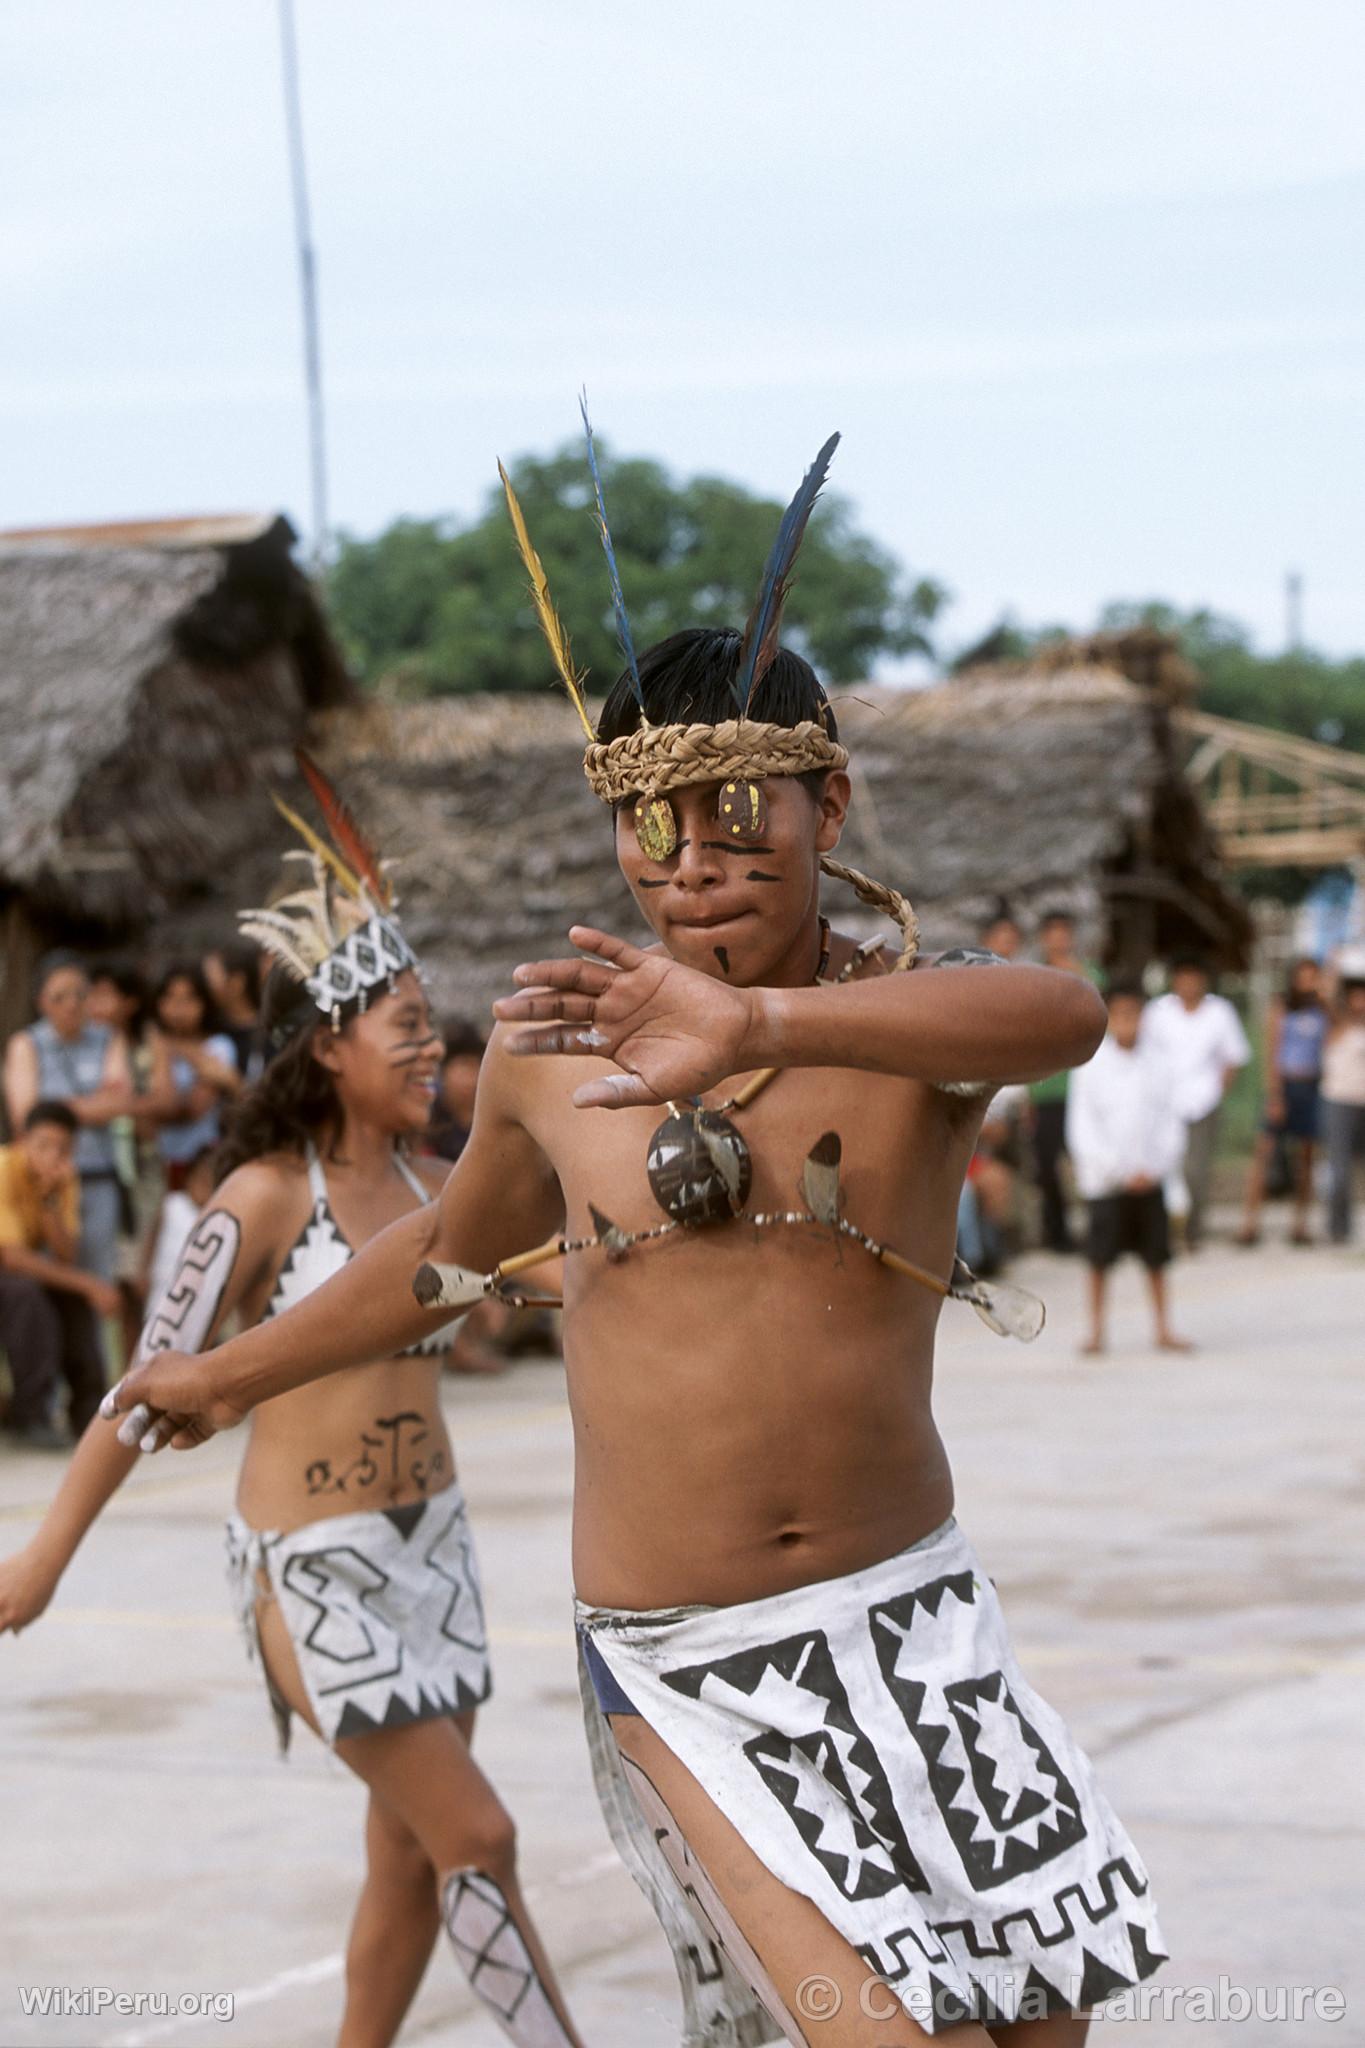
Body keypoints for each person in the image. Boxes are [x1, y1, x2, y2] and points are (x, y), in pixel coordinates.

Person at [101, 430, 1167, 2037]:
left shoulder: (898, 1022)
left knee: (1034, 2027)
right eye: (650, 827)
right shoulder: (549, 1050)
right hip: (687, 1655)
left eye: (738, 814)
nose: (693, 867)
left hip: (918, 1619)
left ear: (829, 799)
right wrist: (232, 1371)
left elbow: (1065, 1015)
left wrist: (752, 1022)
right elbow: (445, 1261)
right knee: (876, 2026)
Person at [0, 804, 586, 2048]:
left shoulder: (444, 1191)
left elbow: (578, 1278)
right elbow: (145, 1385)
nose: (435, 1052)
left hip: (437, 1554)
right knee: (478, 1835)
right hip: (309, 1570)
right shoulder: (260, 1198)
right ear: (329, 1046)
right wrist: (46, 1551)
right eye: (409, 1028)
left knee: (412, 1854)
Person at [1066, 986, 1191, 1356]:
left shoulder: (1160, 1063)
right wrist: (1117, 1170)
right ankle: (1096, 1330)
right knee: (1099, 1260)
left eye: (1134, 1013)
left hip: (1150, 1178)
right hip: (1106, 1182)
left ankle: (1164, 1327)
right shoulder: (1089, 1066)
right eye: (1120, 1014)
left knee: (1156, 1258)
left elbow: (1172, 1121)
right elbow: (1082, 1127)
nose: (1128, 1022)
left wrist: (1153, 1168)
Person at [3, 952, 135, 1292]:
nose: (72, 1004)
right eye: (59, 996)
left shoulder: (108, 1037)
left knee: (99, 1278)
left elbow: (121, 1103)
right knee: (45, 1286)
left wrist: (54, 1107)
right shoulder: (27, 1043)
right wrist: (94, 1104)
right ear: (41, 1002)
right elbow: (27, 1116)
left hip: (97, 1176)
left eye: (80, 994)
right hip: (46, 1181)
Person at [0, 1102, 118, 1448]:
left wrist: (50, 1200)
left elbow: (66, 1255)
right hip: (9, 1272)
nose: (53, 1155)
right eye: (43, 1145)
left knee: (71, 1298)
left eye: (63, 1148)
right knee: (28, 1297)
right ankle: (30, 1414)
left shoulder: (64, 1178)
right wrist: (90, 1284)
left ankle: (88, 1414)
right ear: (22, 1140)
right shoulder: (4, 1167)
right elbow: (12, 1258)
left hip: (12, 1274)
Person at [1140, 957, 1250, 1248]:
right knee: (1164, 1166)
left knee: (1196, 1170)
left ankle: (1192, 1229)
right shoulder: (1158, 1012)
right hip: (1163, 1103)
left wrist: (1218, 1091)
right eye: (1183, 977)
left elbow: (1234, 1057)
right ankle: (1163, 1227)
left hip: (1203, 1101)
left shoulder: (1220, 1012)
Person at [1235, 957, 1327, 1247]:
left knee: (1307, 1158)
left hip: (1311, 1086)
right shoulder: (1281, 1007)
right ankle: (1250, 1223)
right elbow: (1272, 1051)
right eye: (1305, 976)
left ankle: (1300, 1224)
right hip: (1285, 1084)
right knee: (1263, 1155)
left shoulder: (1323, 1010)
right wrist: (1275, 1094)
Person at [1026, 912, 1091, 1253]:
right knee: (1048, 1162)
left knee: (1085, 1160)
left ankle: (1098, 1227)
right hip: (1045, 1086)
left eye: (1064, 933)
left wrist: (1073, 971)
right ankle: (1057, 1231)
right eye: (1052, 933)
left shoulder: (1087, 973)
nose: (1059, 940)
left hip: (1082, 1086)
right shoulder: (1031, 976)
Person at [146, 963, 241, 1186]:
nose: (179, 1008)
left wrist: (152, 1109)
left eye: (189, 999)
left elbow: (196, 1107)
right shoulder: (149, 1046)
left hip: (200, 1164)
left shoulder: (218, 1047)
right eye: (170, 998)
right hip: (156, 1165)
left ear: (204, 1004)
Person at [1320, 962, 1365, 1244]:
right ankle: (1338, 1228)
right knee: (1339, 1168)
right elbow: (1325, 995)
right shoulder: (1338, 1024)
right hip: (1339, 1102)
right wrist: (1337, 962)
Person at [204, 937, 267, 1082]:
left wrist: (233, 1083)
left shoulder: (272, 1035)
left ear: (236, 983)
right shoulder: (205, 1027)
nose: (205, 985)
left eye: (210, 978)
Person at [425, 1019, 487, 1164]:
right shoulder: (428, 1121)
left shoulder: (490, 1121)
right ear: (444, 1072)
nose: (471, 1078)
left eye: (476, 1067)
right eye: (464, 1066)